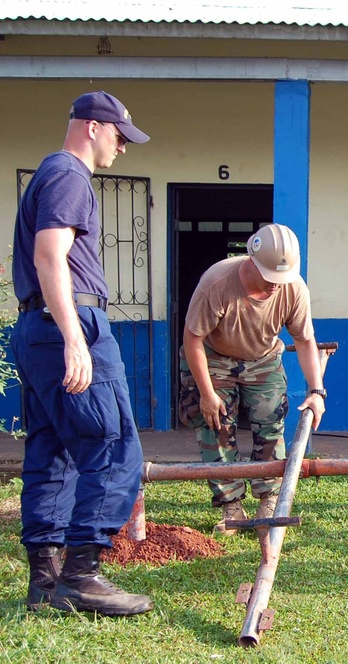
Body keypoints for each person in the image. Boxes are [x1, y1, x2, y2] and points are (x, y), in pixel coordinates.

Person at [11, 91, 153, 615]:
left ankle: (45, 585)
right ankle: (82, 576)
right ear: (93, 127)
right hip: (70, 321)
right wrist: (74, 336)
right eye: (119, 136)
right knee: (113, 446)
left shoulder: (47, 174)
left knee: (54, 452)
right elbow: (50, 254)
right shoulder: (70, 174)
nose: (122, 148)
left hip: (35, 326)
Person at [178, 223, 326, 536]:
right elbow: (192, 339)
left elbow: (304, 340)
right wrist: (206, 393)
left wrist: (316, 391)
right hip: (214, 357)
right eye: (270, 277)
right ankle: (230, 503)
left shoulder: (293, 288)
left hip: (263, 359)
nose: (276, 285)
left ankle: (268, 498)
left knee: (271, 423)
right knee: (215, 424)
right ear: (251, 262)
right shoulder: (216, 283)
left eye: (282, 278)